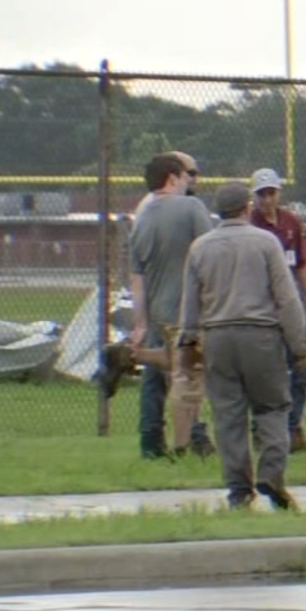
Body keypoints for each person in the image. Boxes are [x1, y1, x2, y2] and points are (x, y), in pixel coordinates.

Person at [178, 183, 306, 510]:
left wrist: (187, 341)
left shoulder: (200, 248)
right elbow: (287, 299)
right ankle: (271, 474)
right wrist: (299, 345)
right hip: (261, 336)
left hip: (218, 337)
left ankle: (238, 488)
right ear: (246, 207)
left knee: (228, 414)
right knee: (273, 407)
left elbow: (190, 303)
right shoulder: (266, 242)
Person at [127, 152, 214, 460]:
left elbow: (136, 276)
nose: (192, 181)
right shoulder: (191, 207)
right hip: (187, 310)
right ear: (174, 177)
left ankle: (151, 441)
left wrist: (140, 322)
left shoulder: (141, 217)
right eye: (188, 174)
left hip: (156, 313)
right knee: (188, 376)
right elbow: (210, 252)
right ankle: (188, 442)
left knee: (160, 373)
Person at [249, 167, 306, 453]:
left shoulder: (291, 222)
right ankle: (261, 430)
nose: (267, 199)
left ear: (279, 192)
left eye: (271, 193)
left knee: (301, 366)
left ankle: (294, 429)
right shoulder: (250, 225)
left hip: (291, 303)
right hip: (263, 304)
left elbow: (301, 262)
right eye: (261, 194)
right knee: (268, 371)